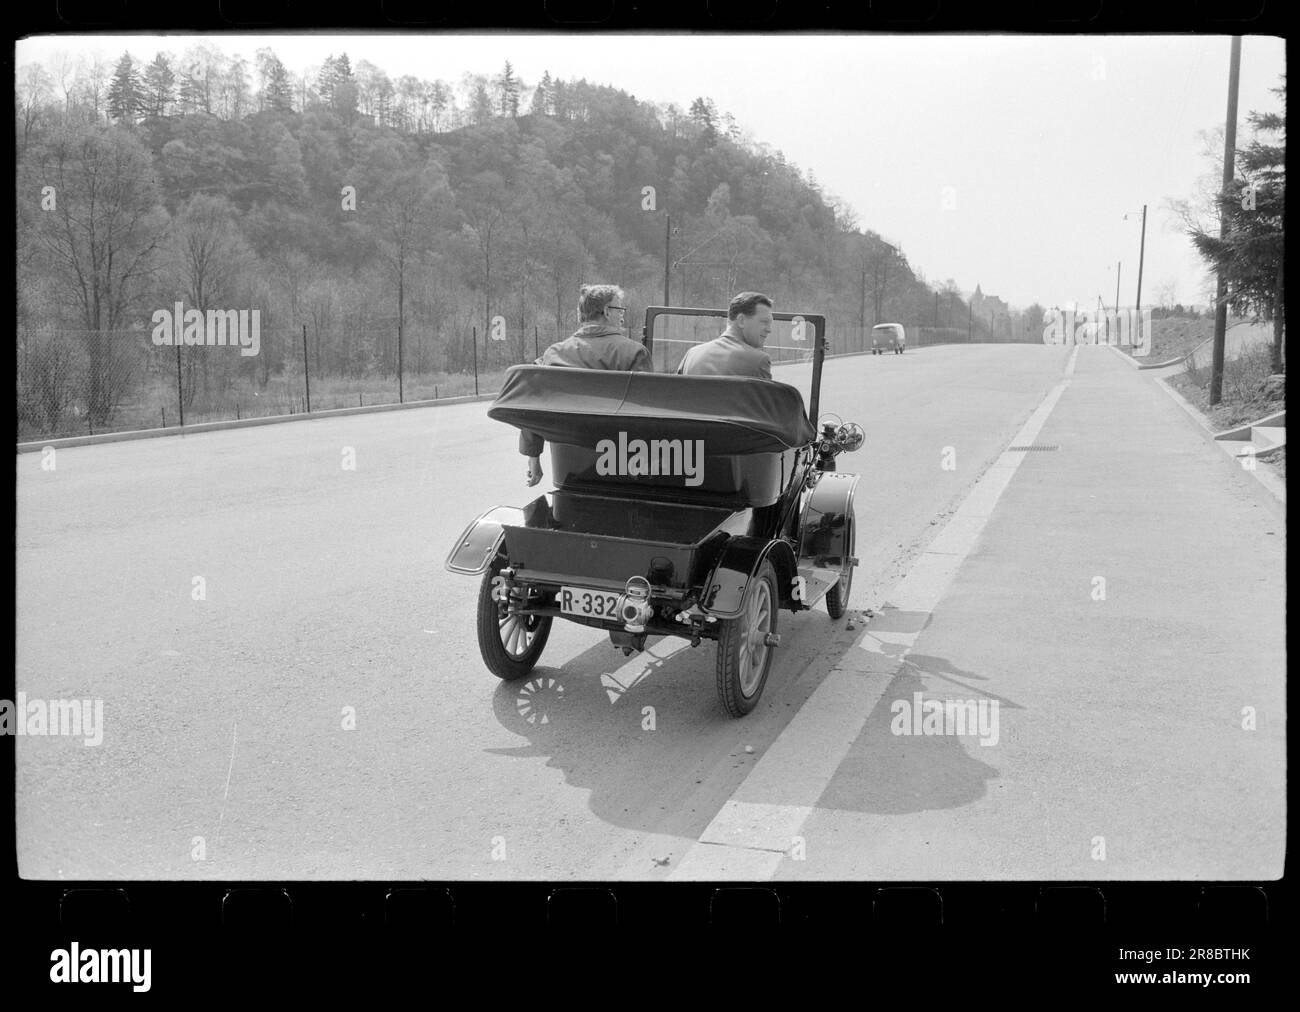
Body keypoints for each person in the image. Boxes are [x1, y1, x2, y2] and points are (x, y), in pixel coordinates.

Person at [520, 284, 652, 486]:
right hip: (622, 468)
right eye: (620, 309)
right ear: (607, 312)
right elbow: (647, 415)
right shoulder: (634, 353)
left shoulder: (553, 354)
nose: (622, 315)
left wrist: (534, 457)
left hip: (567, 469)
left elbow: (532, 407)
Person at [675, 292, 774, 379]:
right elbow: (766, 400)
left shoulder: (692, 354)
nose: (769, 329)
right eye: (764, 322)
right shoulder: (758, 361)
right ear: (741, 320)